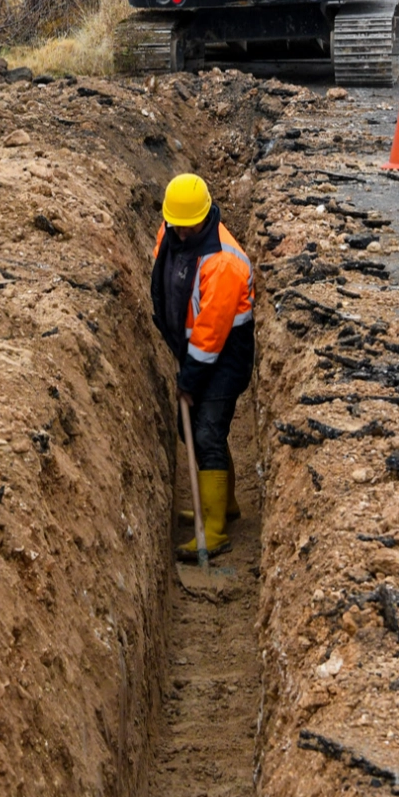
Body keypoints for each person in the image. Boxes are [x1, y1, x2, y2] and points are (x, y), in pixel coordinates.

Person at [149, 173, 255, 557]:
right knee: (194, 427)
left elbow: (211, 335)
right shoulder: (174, 229)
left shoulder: (224, 263)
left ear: (203, 217)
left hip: (224, 356)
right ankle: (221, 505)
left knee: (207, 431)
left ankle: (214, 530)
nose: (177, 233)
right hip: (195, 350)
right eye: (174, 226)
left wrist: (189, 379)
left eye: (184, 227)